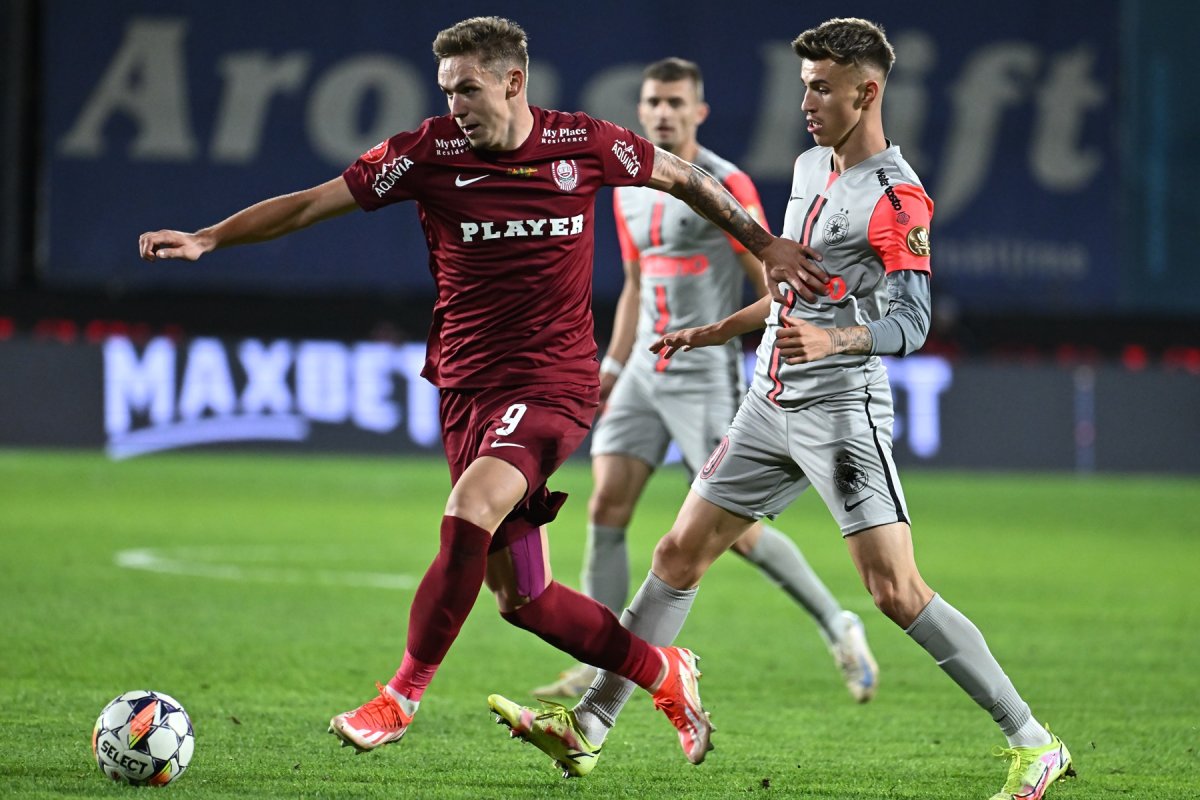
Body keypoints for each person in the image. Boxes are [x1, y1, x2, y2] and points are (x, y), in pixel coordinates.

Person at [137, 16, 830, 772]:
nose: (455, 105)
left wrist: (764, 245)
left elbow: (686, 178)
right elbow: (311, 204)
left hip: (553, 382)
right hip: (466, 388)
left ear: (512, 82)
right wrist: (209, 237)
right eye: (447, 91)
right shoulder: (425, 153)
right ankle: (662, 669)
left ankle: (400, 697)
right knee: (523, 600)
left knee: (470, 507)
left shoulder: (582, 144)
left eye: (467, 89)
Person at [488, 18, 1075, 800]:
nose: (806, 102)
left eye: (822, 88)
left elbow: (911, 324)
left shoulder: (897, 198)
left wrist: (833, 341)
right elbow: (794, 291)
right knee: (676, 555)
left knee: (895, 591)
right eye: (804, 86)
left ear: (867, 92)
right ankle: (589, 726)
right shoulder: (807, 167)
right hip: (765, 404)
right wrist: (720, 329)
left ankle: (1034, 742)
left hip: (840, 415)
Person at [531, 57, 878, 704]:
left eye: (675, 102)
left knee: (737, 534)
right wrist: (613, 365)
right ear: (641, 110)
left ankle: (839, 623)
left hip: (704, 376)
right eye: (653, 102)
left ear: (698, 112)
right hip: (644, 370)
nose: (663, 112)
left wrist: (780, 356)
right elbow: (635, 283)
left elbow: (771, 281)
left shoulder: (725, 182)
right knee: (605, 506)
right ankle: (597, 658)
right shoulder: (627, 186)